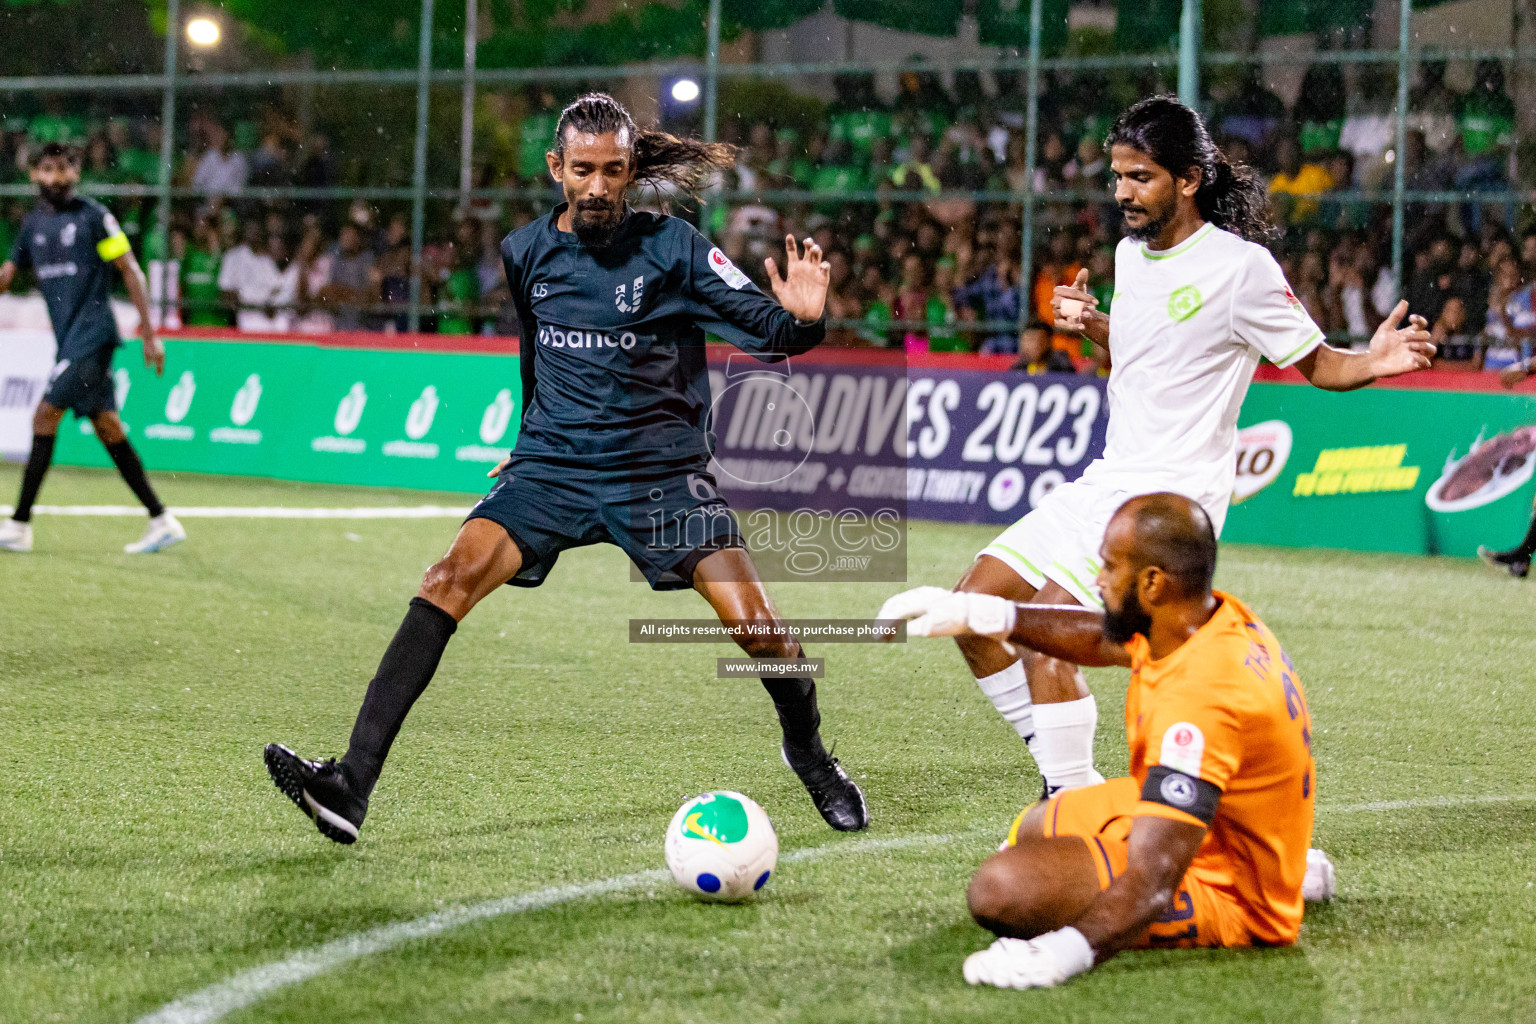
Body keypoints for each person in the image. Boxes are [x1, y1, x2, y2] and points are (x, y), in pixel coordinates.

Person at [263, 93, 868, 844]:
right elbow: (537, 353)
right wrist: (528, 439)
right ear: (557, 168)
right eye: (583, 169)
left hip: (661, 476)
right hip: (554, 468)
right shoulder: (525, 252)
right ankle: (351, 784)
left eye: (614, 171)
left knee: (762, 633)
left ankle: (808, 754)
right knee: (446, 580)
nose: (598, 186)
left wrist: (807, 317)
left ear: (632, 170)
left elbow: (775, 334)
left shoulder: (675, 247)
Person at [939, 96, 1433, 799]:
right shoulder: (1129, 256)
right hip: (1107, 477)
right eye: (1117, 176)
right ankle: (1062, 766)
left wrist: (1374, 359)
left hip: (1167, 496)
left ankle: (1069, 800)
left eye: (1139, 177)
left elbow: (1319, 365)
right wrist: (1096, 327)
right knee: (971, 609)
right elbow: (1146, 359)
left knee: (1047, 636)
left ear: (1189, 179)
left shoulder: (1242, 270)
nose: (1122, 193)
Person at [878, 493, 1332, 988]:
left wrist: (1064, 951)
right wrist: (979, 613)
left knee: (1001, 890)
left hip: (1232, 883)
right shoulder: (1205, 620)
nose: (1097, 579)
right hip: (1223, 822)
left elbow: (1154, 880)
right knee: (1033, 829)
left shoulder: (1201, 702)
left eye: (1110, 566)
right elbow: (1098, 637)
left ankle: (1282, 884)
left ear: (1153, 583)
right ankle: (1289, 866)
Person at [0, 143, 184, 554]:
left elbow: (130, 269)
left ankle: (19, 524)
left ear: (75, 174)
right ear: (34, 175)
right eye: (47, 169)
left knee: (44, 417)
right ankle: (161, 518)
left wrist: (150, 334)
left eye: (64, 168)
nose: (56, 177)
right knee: (108, 427)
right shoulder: (31, 228)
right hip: (69, 341)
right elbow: (8, 275)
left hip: (94, 335)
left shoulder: (94, 218)